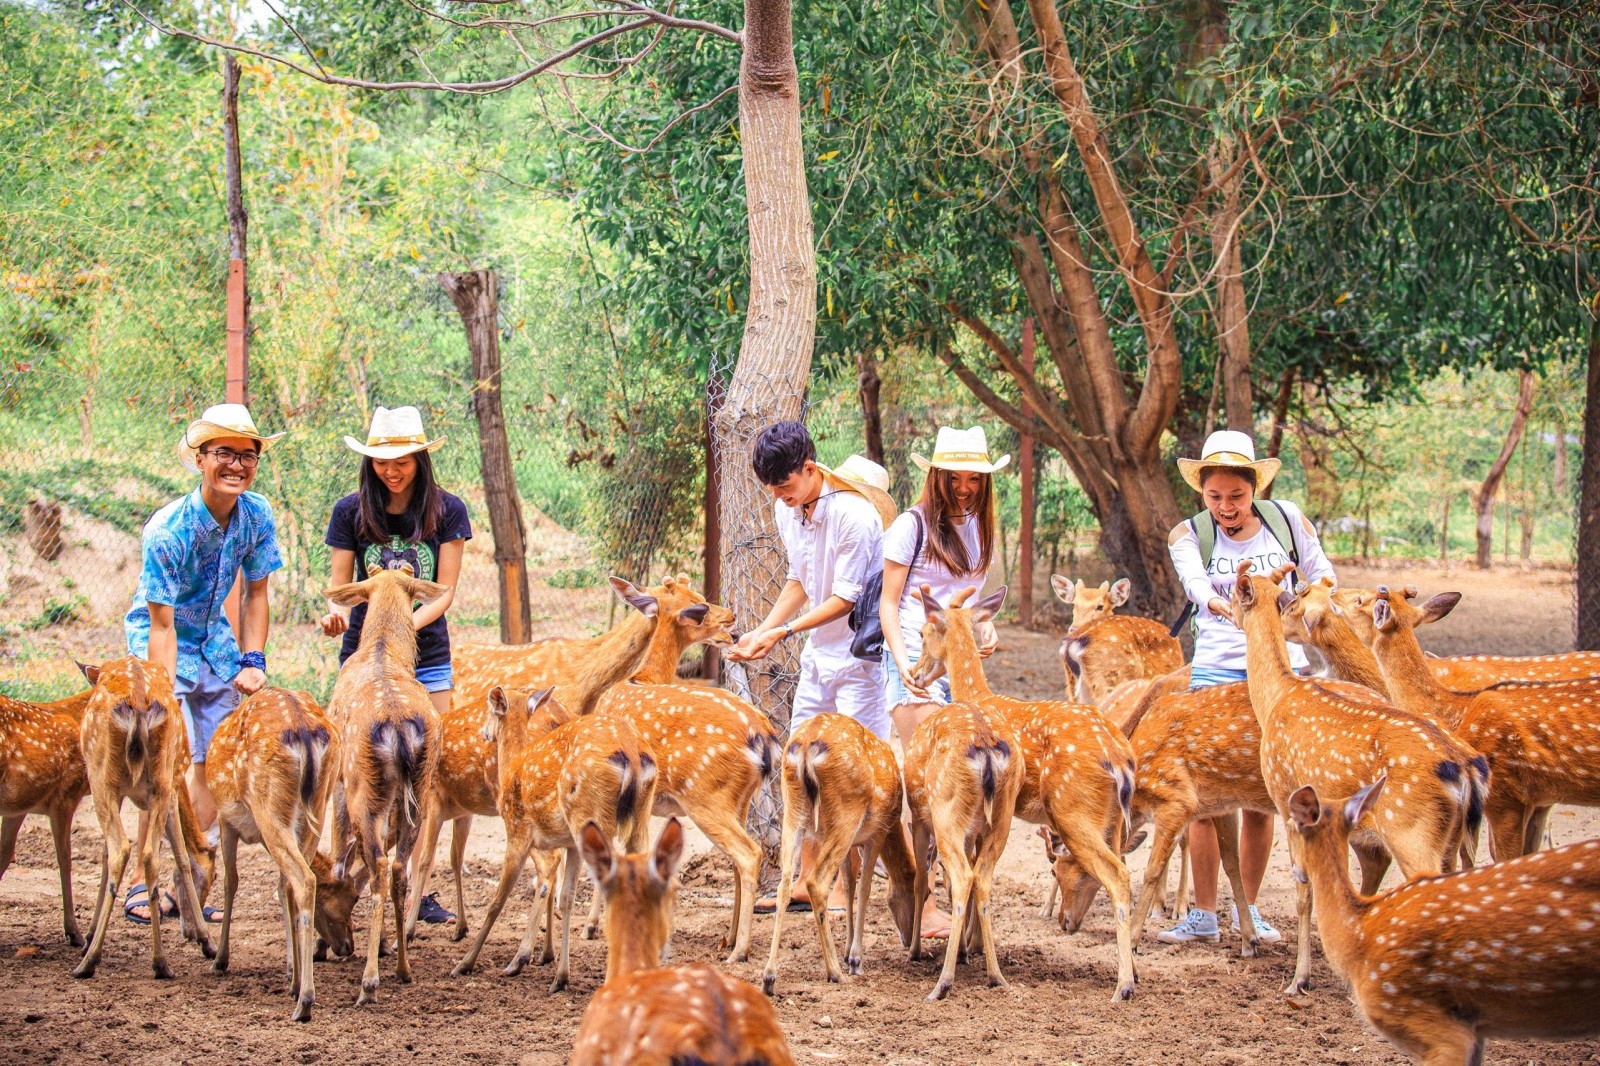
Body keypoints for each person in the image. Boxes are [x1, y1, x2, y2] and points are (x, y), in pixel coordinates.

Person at [1158, 429, 1335, 946]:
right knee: (1203, 797)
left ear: (1254, 487)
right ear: (1202, 493)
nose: (1226, 506)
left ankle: (1248, 909)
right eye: (1215, 497)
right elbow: (1195, 586)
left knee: (1264, 792)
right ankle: (1206, 914)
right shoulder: (1188, 535)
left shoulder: (1287, 522)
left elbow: (1323, 575)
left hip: (1282, 672)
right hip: (1215, 667)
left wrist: (1302, 601)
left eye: (1236, 496)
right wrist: (1223, 606)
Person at [123, 403, 285, 924]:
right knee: (162, 761)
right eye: (223, 454)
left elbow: (256, 593)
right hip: (162, 642)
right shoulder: (167, 530)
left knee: (210, 764)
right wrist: (161, 691)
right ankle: (138, 884)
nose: (236, 465)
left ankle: (188, 878)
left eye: (246, 455)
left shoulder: (256, 515)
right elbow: (163, 625)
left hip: (215, 640)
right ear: (200, 459)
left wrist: (254, 657)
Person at [725, 422, 894, 913]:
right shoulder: (789, 509)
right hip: (817, 658)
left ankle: (847, 887)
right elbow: (800, 580)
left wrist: (783, 633)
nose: (778, 496)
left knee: (853, 776)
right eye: (771, 488)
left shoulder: (855, 517)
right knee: (799, 767)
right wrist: (763, 630)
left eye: (785, 484)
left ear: (810, 468)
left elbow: (844, 598)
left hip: (860, 663)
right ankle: (807, 881)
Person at [318, 405, 471, 925]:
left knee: (426, 773)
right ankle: (344, 876)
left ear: (420, 458)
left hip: (425, 659)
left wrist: (404, 625)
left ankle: (414, 888)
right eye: (382, 461)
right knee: (351, 777)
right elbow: (342, 591)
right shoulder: (350, 512)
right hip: (363, 661)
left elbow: (443, 592)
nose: (392, 470)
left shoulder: (449, 511)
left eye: (402, 459)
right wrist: (338, 618)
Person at [879, 424, 1007, 939]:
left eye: (972, 478)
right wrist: (903, 659)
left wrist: (987, 627)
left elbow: (972, 602)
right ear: (936, 476)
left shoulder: (982, 527)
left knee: (969, 784)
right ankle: (923, 900)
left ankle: (969, 907)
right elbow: (890, 602)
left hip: (961, 664)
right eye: (954, 477)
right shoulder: (910, 527)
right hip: (916, 660)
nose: (964, 487)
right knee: (932, 787)